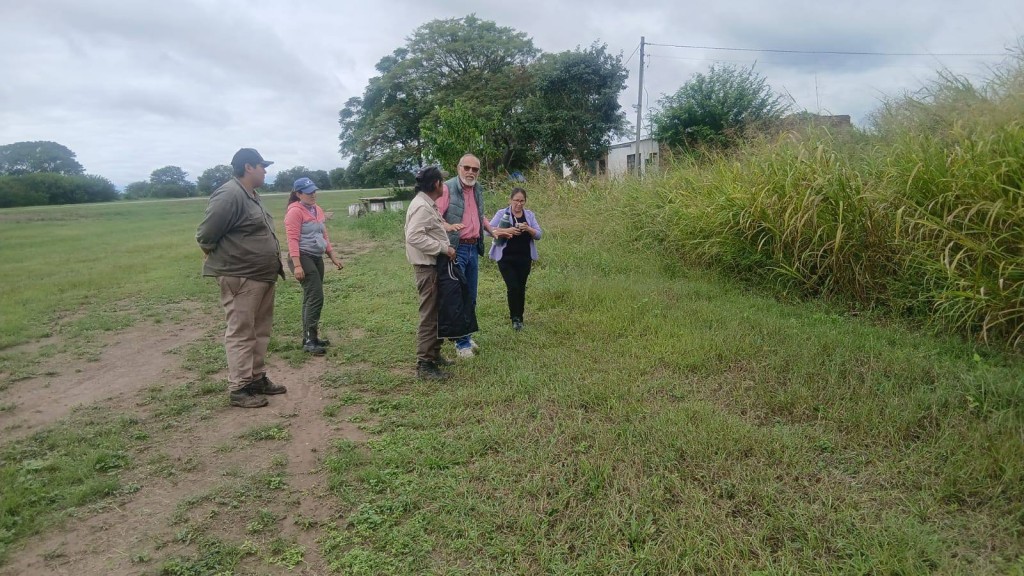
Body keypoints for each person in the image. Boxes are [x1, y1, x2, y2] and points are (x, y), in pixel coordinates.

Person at [196, 148, 287, 408]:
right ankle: (239, 388)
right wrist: (227, 261)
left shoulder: (251, 195)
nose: (265, 170)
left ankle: (255, 378)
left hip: (261, 275)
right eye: (262, 166)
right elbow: (205, 235)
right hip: (241, 277)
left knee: (260, 331)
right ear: (248, 167)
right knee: (241, 333)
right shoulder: (230, 194)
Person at [436, 153, 494, 358]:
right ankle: (461, 344)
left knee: (471, 296)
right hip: (456, 249)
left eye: (475, 169)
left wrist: (492, 230)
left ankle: (466, 336)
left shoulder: (477, 189)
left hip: (472, 248)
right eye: (466, 168)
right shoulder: (447, 188)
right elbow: (435, 217)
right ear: (458, 167)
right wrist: (449, 227)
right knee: (458, 296)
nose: (470, 172)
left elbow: (479, 215)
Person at [404, 166, 457, 380]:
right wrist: (444, 248)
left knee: (437, 312)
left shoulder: (425, 203)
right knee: (429, 315)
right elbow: (414, 236)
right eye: (442, 182)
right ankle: (424, 364)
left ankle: (434, 354)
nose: (444, 185)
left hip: (433, 266)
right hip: (427, 268)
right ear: (436, 184)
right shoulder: (422, 207)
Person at [284, 177, 344, 356]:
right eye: (308, 192)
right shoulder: (294, 212)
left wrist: (332, 256)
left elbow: (323, 234)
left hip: (316, 256)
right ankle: (310, 340)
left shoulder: (317, 210)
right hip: (302, 257)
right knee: (316, 297)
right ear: (298, 194)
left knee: (310, 297)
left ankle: (310, 337)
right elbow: (292, 240)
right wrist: (297, 266)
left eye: (314, 191)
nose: (313, 194)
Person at [489, 187, 542, 330]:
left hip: (524, 258)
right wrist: (508, 230)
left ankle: (520, 316)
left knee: (521, 287)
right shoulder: (502, 213)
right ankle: (515, 318)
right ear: (510, 200)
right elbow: (489, 230)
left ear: (525, 201)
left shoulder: (529, 215)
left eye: (522, 201)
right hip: (506, 258)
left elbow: (538, 234)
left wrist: (528, 228)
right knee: (513, 287)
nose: (519, 204)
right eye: (516, 200)